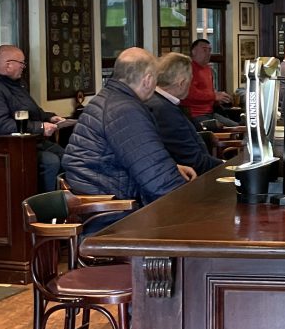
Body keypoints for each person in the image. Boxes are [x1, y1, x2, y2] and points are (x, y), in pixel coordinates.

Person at [63, 48, 196, 206]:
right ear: (147, 80)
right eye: (155, 79)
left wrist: (173, 168)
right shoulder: (125, 111)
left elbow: (139, 158)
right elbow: (159, 181)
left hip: (103, 193)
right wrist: (193, 200)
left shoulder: (109, 98)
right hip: (113, 212)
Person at [0, 45, 66, 191]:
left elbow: (31, 110)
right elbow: (2, 126)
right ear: (8, 65)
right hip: (6, 148)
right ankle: (43, 208)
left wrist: (50, 118)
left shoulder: (16, 84)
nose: (24, 67)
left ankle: (65, 205)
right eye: (22, 63)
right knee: (51, 161)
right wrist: (40, 128)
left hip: (30, 141)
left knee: (67, 156)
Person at [148, 53, 223, 175]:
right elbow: (193, 161)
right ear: (182, 83)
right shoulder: (165, 111)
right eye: (191, 80)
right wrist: (227, 167)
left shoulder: (157, 101)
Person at [181, 39, 237, 128]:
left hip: (210, 112)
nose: (208, 53)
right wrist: (214, 96)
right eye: (204, 49)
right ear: (194, 51)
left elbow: (208, 91)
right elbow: (189, 93)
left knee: (237, 127)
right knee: (226, 128)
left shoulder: (208, 69)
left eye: (209, 50)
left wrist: (219, 99)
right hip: (195, 115)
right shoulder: (187, 69)